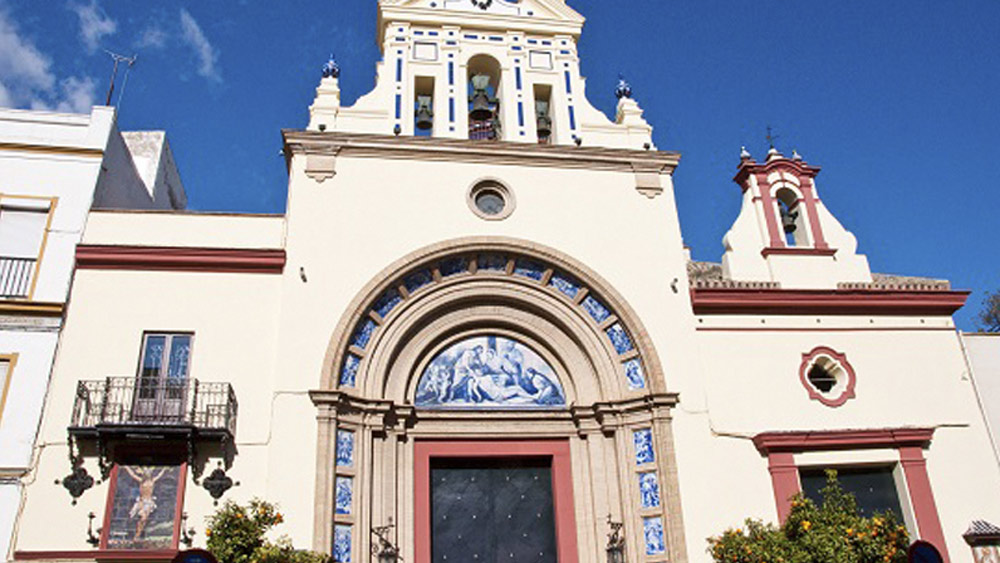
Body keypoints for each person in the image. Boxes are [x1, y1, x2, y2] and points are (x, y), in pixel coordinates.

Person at [123, 466, 168, 541]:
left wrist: (164, 469)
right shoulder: (141, 481)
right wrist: (127, 467)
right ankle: (135, 533)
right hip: (141, 501)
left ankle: (137, 535)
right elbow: (132, 474)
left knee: (143, 518)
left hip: (148, 502)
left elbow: (159, 475)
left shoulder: (152, 481)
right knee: (133, 517)